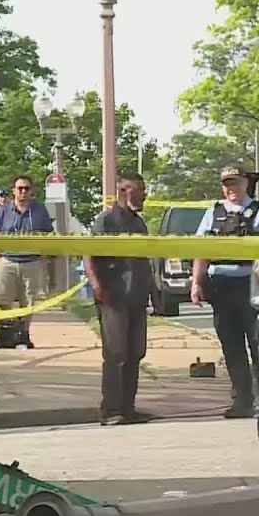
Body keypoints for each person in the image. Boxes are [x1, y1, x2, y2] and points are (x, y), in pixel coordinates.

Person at [191, 166, 259, 419]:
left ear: (246, 184)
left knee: (258, 344)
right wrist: (196, 282)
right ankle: (241, 401)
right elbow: (201, 248)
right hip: (221, 285)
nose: (231, 189)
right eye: (226, 184)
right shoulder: (213, 212)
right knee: (231, 346)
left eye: (235, 183)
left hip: (251, 285)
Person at [84, 172, 158, 426]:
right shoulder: (106, 221)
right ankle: (111, 410)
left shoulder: (139, 223)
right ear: (125, 190)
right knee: (116, 354)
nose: (145, 196)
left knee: (135, 352)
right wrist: (97, 286)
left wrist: (152, 291)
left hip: (137, 296)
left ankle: (128, 408)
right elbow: (89, 256)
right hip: (113, 296)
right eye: (141, 190)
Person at [0, 175, 54, 347]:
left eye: (26, 188)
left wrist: (43, 258)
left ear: (32, 191)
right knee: (2, 298)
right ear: (14, 191)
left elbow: (49, 235)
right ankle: (5, 333)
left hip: (32, 261)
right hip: (7, 260)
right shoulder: (3, 210)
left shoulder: (40, 210)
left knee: (29, 300)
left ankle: (23, 334)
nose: (23, 192)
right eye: (20, 188)